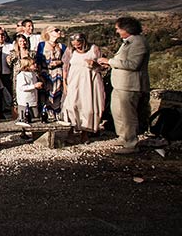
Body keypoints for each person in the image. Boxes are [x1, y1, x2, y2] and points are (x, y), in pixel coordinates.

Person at [97, 17, 150, 154]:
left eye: (118, 28)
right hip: (120, 84)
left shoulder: (138, 42)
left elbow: (133, 64)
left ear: (127, 29)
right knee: (117, 112)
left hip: (130, 85)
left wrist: (110, 61)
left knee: (128, 115)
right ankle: (123, 137)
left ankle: (131, 143)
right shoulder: (128, 42)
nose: (117, 31)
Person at [62, 33, 106, 144]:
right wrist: (64, 82)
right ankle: (71, 131)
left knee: (88, 106)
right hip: (74, 81)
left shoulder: (94, 49)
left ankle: (85, 133)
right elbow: (65, 67)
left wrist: (95, 65)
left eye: (79, 44)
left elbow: (103, 66)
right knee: (71, 105)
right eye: (75, 45)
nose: (77, 47)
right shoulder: (70, 51)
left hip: (90, 81)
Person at [35, 26, 67, 123]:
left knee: (57, 95)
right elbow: (38, 60)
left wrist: (59, 62)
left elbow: (67, 60)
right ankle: (46, 116)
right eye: (56, 30)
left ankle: (57, 116)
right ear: (49, 33)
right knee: (45, 96)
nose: (59, 32)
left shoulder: (62, 46)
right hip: (46, 74)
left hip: (58, 75)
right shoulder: (42, 45)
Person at [7, 34, 35, 116]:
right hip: (17, 75)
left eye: (24, 41)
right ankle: (17, 114)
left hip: (30, 75)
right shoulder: (14, 53)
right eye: (20, 41)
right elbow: (9, 64)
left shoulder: (31, 53)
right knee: (16, 95)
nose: (23, 43)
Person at [15, 58, 42, 127]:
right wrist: (34, 86)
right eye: (33, 64)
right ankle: (23, 133)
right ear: (26, 66)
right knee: (24, 118)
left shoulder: (33, 74)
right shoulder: (22, 75)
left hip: (33, 100)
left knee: (35, 117)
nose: (35, 65)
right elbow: (22, 87)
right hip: (24, 101)